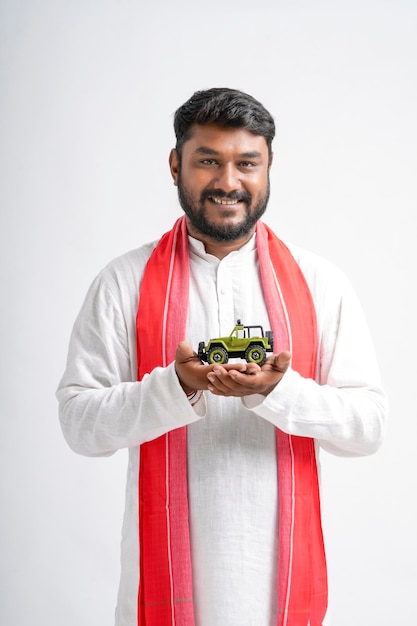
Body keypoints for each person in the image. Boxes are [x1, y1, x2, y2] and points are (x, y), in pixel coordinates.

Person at [57, 88, 388, 626]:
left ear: (269, 167)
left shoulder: (320, 282)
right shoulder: (123, 282)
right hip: (160, 592)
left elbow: (368, 427)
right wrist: (175, 388)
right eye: (208, 160)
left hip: (281, 590)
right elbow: (78, 425)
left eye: (246, 163)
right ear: (175, 165)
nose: (228, 182)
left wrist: (278, 392)